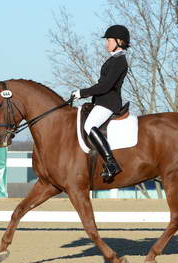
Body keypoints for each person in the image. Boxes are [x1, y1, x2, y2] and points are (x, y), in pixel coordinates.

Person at [71, 25, 130, 182]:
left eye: (109, 40)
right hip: (101, 101)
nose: (107, 43)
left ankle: (111, 163)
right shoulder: (114, 59)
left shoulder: (120, 61)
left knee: (89, 126)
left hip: (109, 103)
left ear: (119, 41)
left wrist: (82, 93)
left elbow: (105, 86)